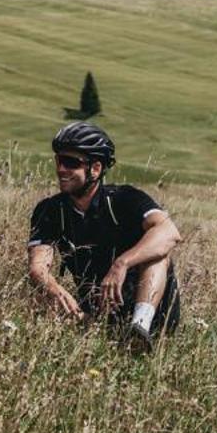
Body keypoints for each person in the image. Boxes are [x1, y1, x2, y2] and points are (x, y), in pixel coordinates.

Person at [27, 121, 183, 351]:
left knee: (159, 253)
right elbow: (37, 268)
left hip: (154, 314)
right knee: (40, 290)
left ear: (96, 169)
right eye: (59, 161)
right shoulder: (50, 211)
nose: (61, 169)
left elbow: (170, 232)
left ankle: (139, 328)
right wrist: (55, 291)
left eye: (71, 162)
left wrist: (122, 263)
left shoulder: (125, 199)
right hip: (99, 312)